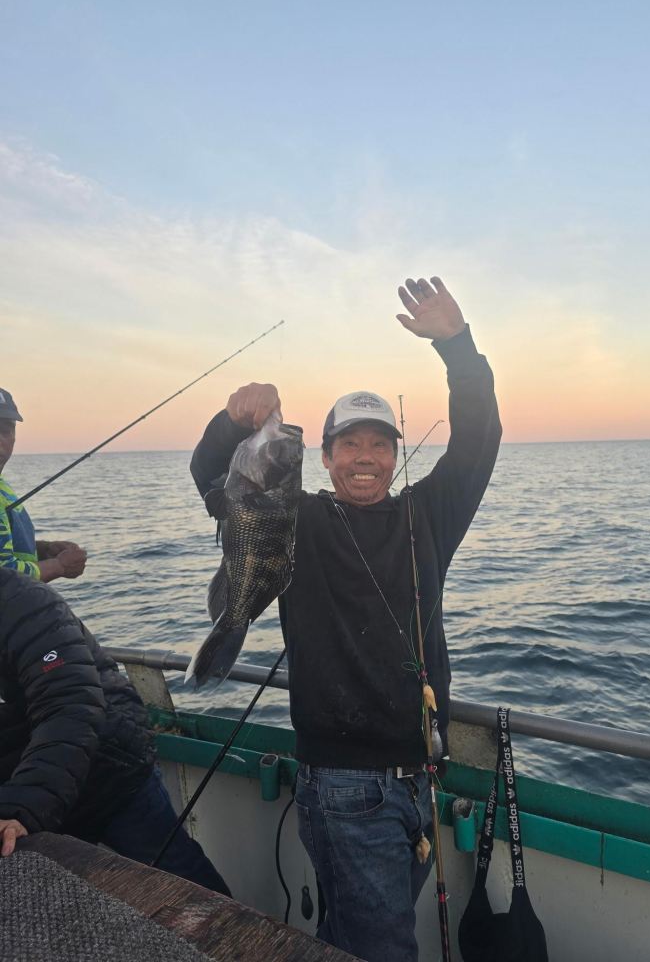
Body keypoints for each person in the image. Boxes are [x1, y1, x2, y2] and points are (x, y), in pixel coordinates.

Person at [190, 276, 501, 960]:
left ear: (394, 455)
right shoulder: (292, 517)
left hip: (421, 777)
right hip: (342, 787)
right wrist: (233, 424)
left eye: (379, 444)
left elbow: (480, 439)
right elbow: (214, 477)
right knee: (381, 949)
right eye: (349, 444)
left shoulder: (429, 516)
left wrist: (457, 344)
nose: (365, 457)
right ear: (325, 457)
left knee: (353, 942)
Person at [0, 567, 231, 896]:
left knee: (183, 879)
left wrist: (20, 807)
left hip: (108, 767)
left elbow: (69, 704)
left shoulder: (22, 602)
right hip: (26, 785)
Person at [0, 388, 87, 582]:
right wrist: (59, 566)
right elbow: (4, 575)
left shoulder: (2, 488)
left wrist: (44, 550)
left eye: (5, 430)